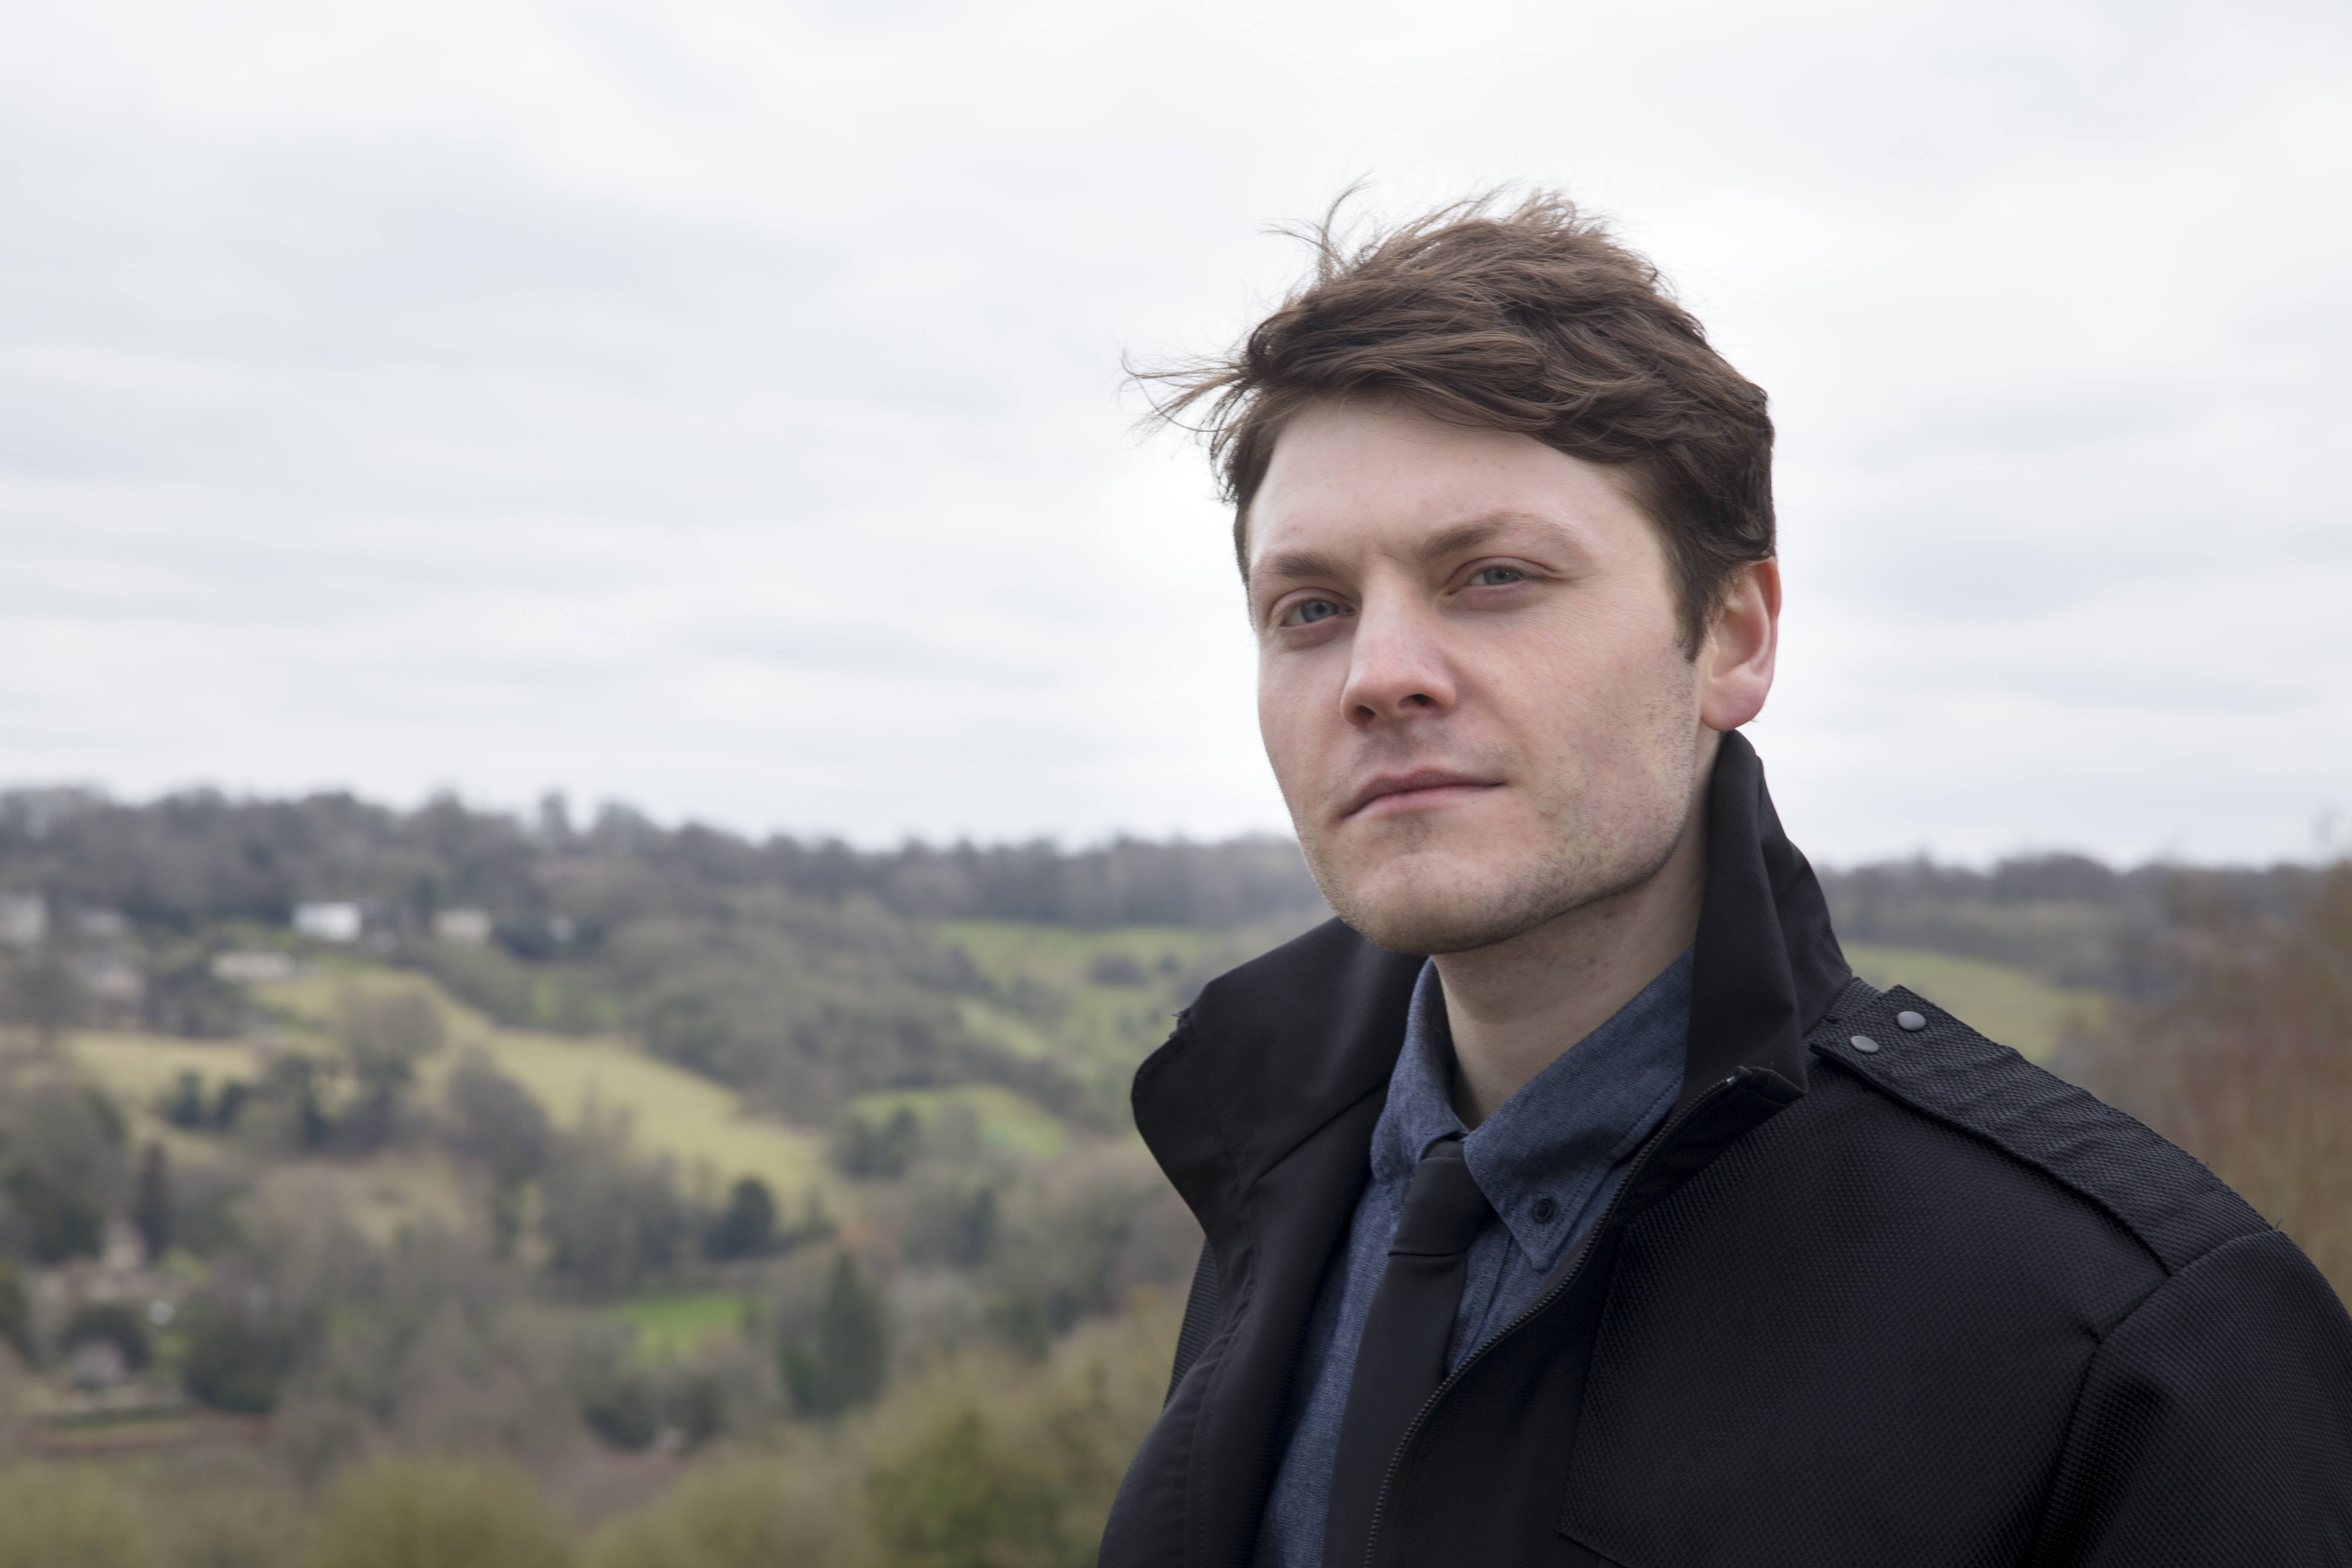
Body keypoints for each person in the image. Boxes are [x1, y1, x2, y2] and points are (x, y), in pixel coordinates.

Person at [1098, 194, 2352, 1568]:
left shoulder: (2131, 1342)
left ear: (1733, 639)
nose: (1377, 673)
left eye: (1493, 575)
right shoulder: (1273, 1170)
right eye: (1309, 608)